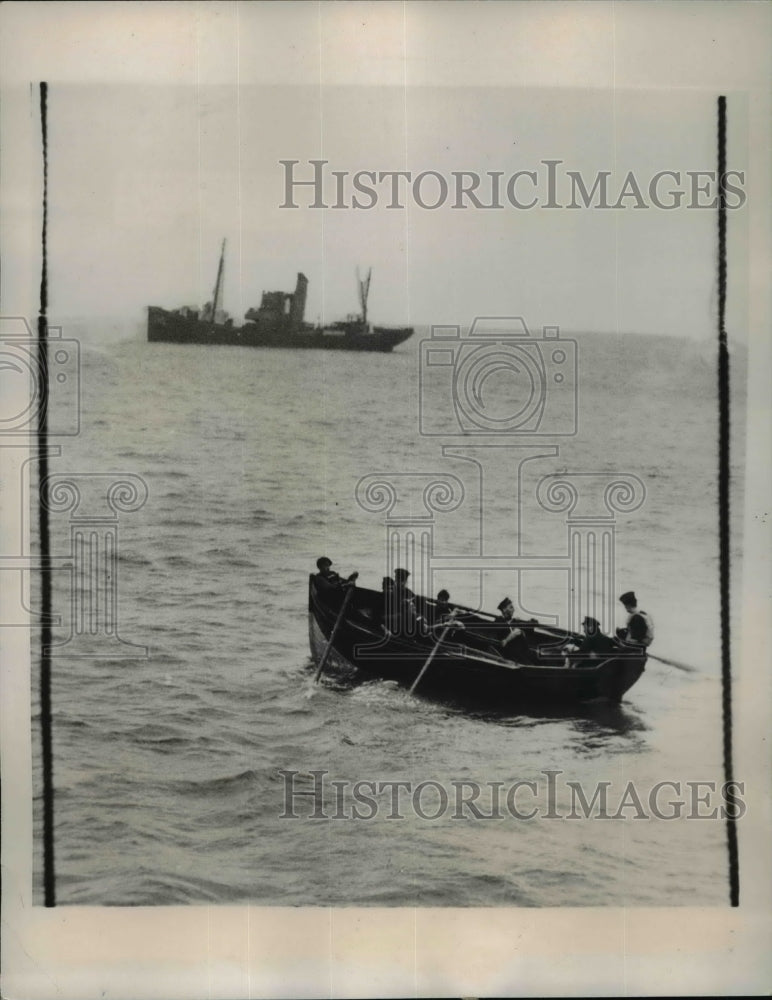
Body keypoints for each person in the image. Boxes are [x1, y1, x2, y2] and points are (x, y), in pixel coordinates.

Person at [494, 597, 533, 663]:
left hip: (524, 652)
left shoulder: (514, 621)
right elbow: (503, 642)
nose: (513, 610)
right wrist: (510, 637)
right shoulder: (499, 621)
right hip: (513, 655)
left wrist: (516, 622)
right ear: (504, 609)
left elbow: (534, 623)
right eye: (511, 607)